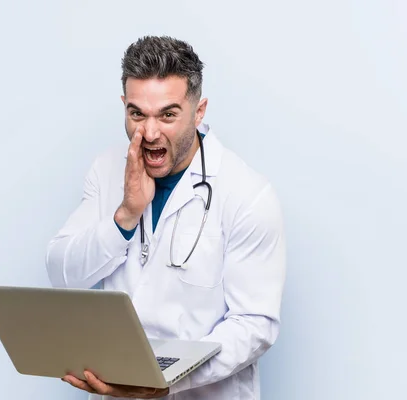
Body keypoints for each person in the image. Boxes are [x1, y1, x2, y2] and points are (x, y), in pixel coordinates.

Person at [45, 35, 286, 400]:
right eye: (137, 113)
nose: (150, 133)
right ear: (124, 105)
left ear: (199, 110)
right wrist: (124, 217)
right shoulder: (107, 169)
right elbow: (62, 273)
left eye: (168, 114)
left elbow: (255, 325)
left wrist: (166, 378)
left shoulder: (247, 195)